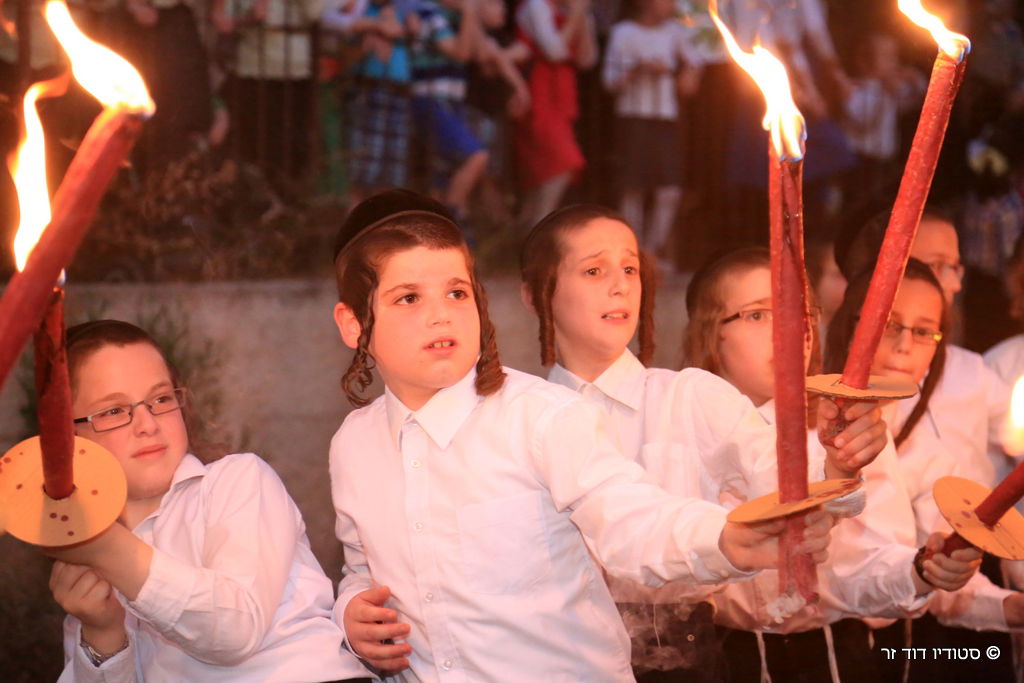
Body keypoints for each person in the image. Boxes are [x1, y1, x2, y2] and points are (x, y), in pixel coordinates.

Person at [328, 190, 834, 681]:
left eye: (457, 293)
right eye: (409, 298)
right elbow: (363, 565)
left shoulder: (542, 417)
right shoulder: (353, 445)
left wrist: (725, 537)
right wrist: (351, 610)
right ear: (353, 325)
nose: (441, 314)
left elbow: (630, 518)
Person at [517, 205, 890, 680]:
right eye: (594, 270)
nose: (620, 285)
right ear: (535, 294)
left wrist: (838, 466)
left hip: (682, 662)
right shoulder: (518, 418)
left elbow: (785, 481)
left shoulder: (689, 396)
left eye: (629, 268)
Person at [684, 247, 982, 683]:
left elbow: (863, 568)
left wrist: (921, 570)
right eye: (758, 314)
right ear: (711, 332)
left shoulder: (844, 424)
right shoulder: (677, 429)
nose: (788, 330)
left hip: (829, 657)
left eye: (800, 313)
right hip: (720, 657)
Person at [47, 320, 367, 682]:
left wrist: (111, 552)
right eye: (114, 411)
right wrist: (103, 634)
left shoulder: (236, 480)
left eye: (161, 399)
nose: (148, 424)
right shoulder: (87, 565)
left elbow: (236, 631)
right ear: (66, 438)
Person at [825, 261, 1024, 682]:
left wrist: (1008, 607)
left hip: (893, 651)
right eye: (888, 324)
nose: (904, 346)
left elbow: (938, 568)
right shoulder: (800, 426)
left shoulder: (926, 448)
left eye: (923, 331)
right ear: (850, 325)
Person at [602, 0, 700, 263]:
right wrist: (637, 69)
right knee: (632, 186)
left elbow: (693, 67)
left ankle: (653, 250)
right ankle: (631, 251)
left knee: (669, 189)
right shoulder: (623, 33)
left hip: (665, 118)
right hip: (633, 116)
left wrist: (680, 75)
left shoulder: (676, 31)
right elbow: (609, 81)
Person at [513, 0, 597, 229]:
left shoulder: (574, 12)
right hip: (539, 91)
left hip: (563, 94)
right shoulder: (536, 5)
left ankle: (529, 229)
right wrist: (576, 15)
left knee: (547, 172)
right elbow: (554, 51)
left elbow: (587, 59)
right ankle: (540, 227)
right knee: (562, 162)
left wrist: (581, 18)